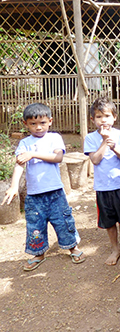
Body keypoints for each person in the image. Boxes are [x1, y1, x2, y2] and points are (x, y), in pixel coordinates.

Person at [2, 103, 85, 271]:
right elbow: (19, 165)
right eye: (33, 124)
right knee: (35, 225)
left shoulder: (54, 138)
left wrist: (33, 154)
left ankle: (72, 247)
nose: (38, 127)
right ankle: (38, 253)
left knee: (63, 220)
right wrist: (13, 187)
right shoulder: (25, 143)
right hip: (34, 195)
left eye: (42, 123)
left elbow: (58, 157)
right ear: (25, 124)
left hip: (55, 192)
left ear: (50, 121)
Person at [84, 97, 120, 266]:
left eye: (106, 116)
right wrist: (105, 142)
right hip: (103, 187)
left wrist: (115, 147)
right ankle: (115, 249)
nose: (103, 120)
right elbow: (95, 160)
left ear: (114, 117)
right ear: (93, 120)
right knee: (109, 220)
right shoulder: (90, 139)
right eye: (98, 117)